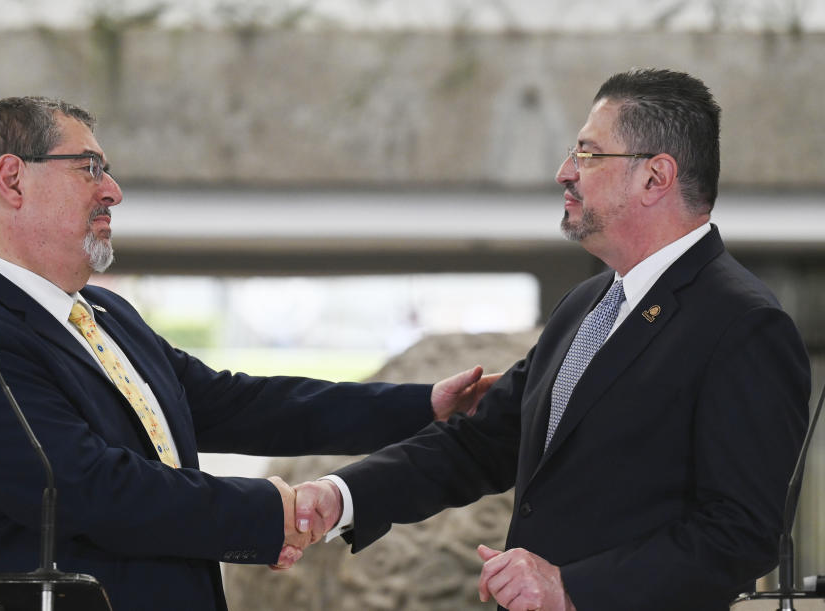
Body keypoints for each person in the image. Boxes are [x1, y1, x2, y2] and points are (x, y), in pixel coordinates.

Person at [0, 96, 499, 611]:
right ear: (12, 180)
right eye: (90, 168)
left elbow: (237, 403)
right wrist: (270, 513)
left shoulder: (105, 317)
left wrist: (424, 406)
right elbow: (89, 489)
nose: (112, 190)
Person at [289, 68, 811, 610]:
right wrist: (341, 496)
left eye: (588, 154)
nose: (565, 172)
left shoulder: (744, 324)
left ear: (656, 177)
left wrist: (571, 589)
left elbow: (742, 533)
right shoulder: (585, 305)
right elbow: (481, 443)